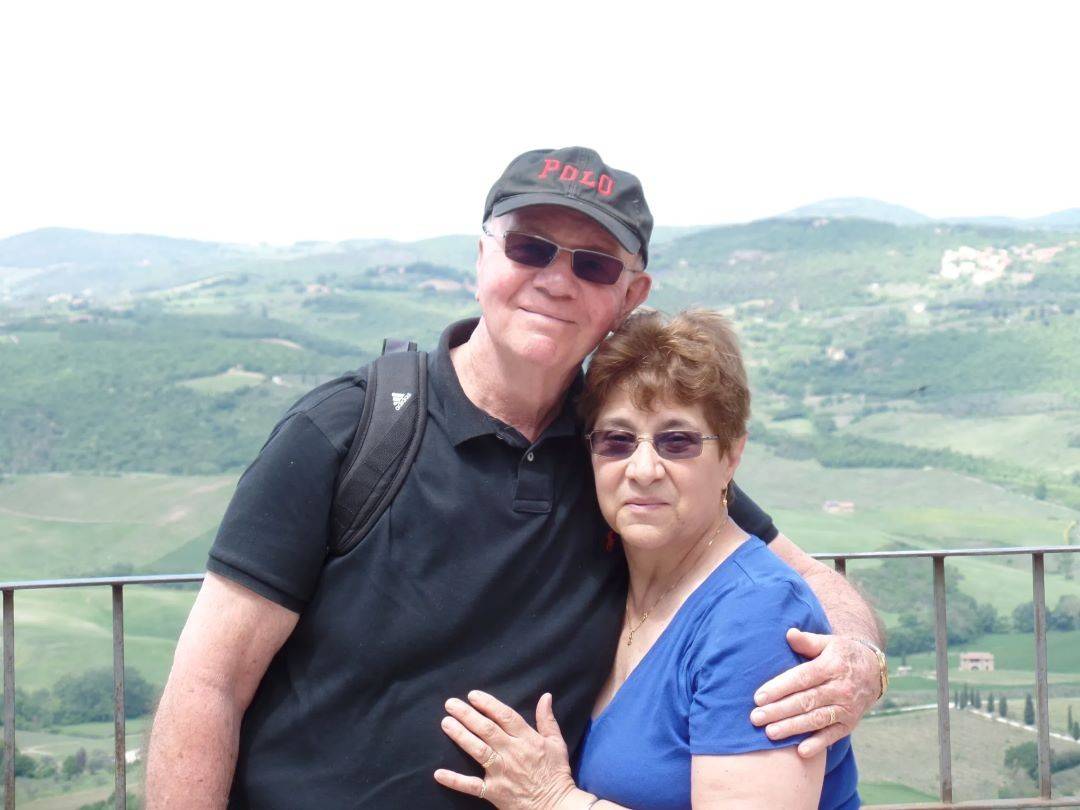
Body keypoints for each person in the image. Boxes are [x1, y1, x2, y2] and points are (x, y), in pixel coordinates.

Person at [145, 147, 885, 809]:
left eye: (593, 264)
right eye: (530, 247)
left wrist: (857, 664)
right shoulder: (349, 432)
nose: (555, 280)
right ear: (483, 258)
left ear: (630, 296)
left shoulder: (623, 454)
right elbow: (208, 683)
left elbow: (795, 582)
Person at [434, 310, 859, 809]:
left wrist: (552, 800)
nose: (643, 469)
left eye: (676, 441)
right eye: (616, 440)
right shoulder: (613, 583)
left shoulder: (757, 618)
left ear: (731, 456)